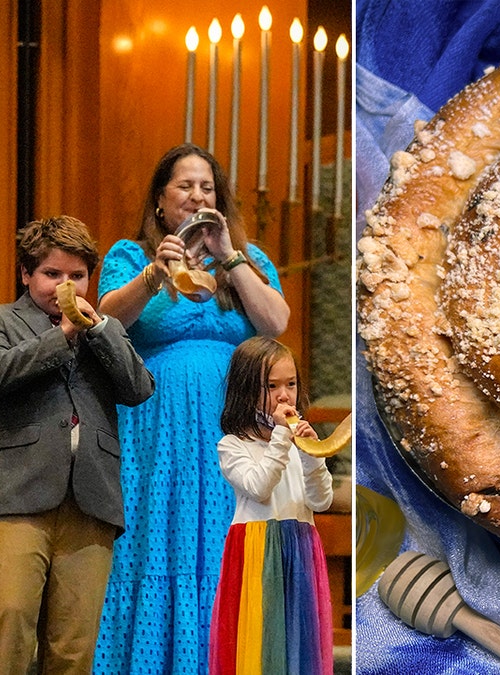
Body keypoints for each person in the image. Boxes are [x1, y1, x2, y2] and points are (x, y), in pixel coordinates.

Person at [92, 143, 290, 673]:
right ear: (161, 201)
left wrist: (230, 256)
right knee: (157, 536)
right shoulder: (130, 255)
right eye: (185, 186)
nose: (197, 195)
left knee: (227, 538)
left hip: (234, 424)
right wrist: (157, 272)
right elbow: (108, 318)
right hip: (157, 430)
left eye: (207, 187)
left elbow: (275, 323)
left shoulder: (248, 259)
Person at [0, 216, 154, 673]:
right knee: (6, 624)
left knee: (74, 646)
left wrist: (100, 330)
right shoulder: (0, 319)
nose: (64, 285)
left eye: (77, 276)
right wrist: (63, 334)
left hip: (91, 500)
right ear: (26, 274)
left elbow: (139, 387)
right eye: (52, 274)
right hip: (20, 496)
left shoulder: (102, 327)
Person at [209, 336, 334, 675]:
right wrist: (282, 438)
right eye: (272, 385)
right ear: (247, 390)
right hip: (257, 552)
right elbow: (259, 487)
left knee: (299, 644)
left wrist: (311, 455)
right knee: (261, 646)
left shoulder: (295, 444)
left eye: (291, 384)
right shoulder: (232, 445)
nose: (285, 395)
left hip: (301, 550)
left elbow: (321, 500)